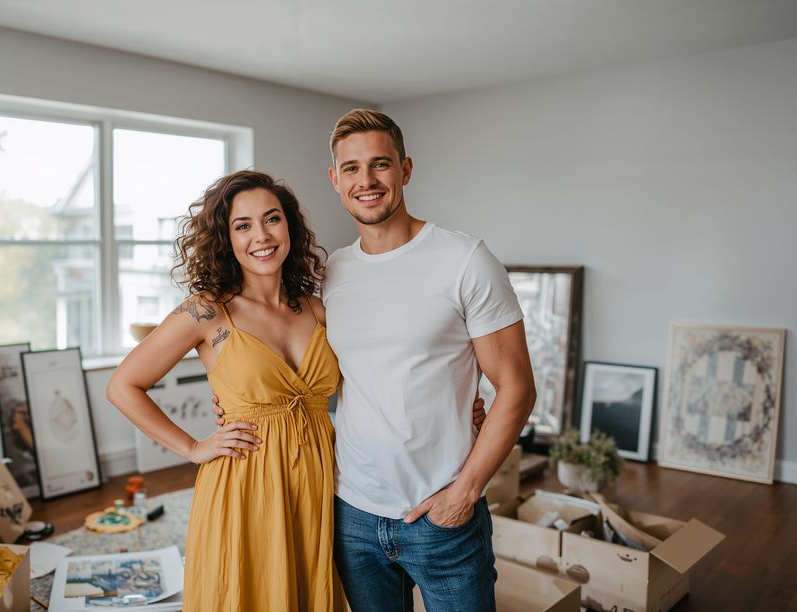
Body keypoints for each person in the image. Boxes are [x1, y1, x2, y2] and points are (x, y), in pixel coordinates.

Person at [215, 109, 536, 611]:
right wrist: (237, 399)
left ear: (405, 170)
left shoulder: (465, 260)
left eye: (380, 165)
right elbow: (311, 367)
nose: (366, 181)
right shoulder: (332, 275)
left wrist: (464, 492)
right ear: (335, 179)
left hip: (441, 513)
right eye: (351, 168)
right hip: (351, 513)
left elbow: (517, 387)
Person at [106, 170, 344, 611]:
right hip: (243, 480)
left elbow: (372, 377)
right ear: (226, 238)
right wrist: (193, 447)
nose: (261, 236)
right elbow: (123, 385)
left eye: (271, 219)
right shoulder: (208, 311)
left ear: (288, 225)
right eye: (243, 225)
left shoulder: (316, 308)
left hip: (315, 479)